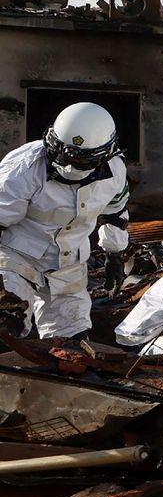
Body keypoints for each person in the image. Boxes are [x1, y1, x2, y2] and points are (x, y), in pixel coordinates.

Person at [0, 103, 129, 340]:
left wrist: (114, 254)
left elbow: (115, 212)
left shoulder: (115, 173)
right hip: (17, 255)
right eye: (63, 154)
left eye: (80, 160)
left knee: (71, 341)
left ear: (104, 155)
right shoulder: (24, 166)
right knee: (8, 323)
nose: (68, 166)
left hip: (69, 263)